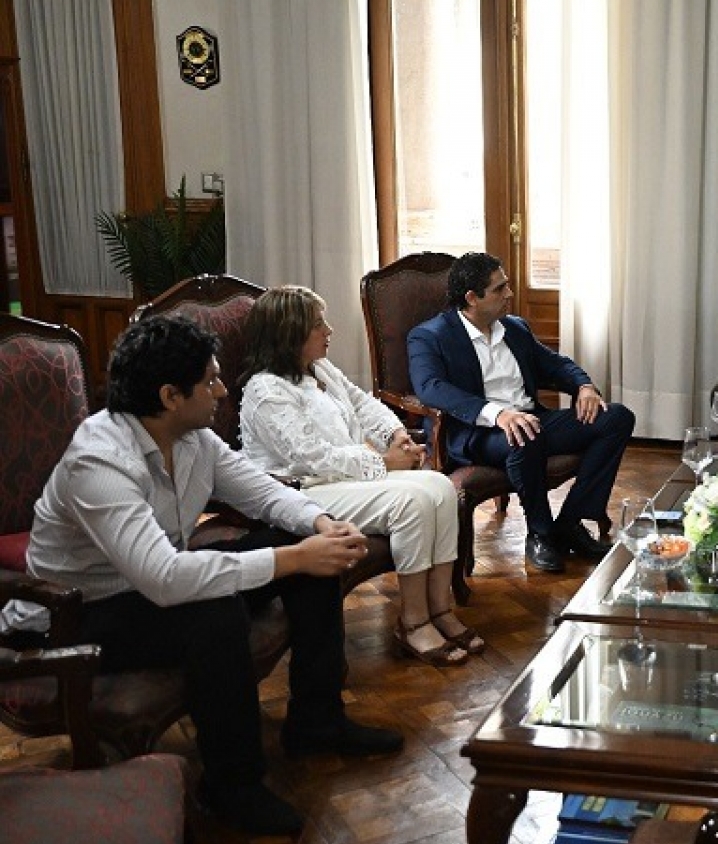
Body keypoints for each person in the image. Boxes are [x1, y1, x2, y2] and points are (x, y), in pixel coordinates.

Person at [0, 316, 403, 836]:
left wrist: (320, 524)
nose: (222, 390)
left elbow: (263, 492)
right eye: (210, 380)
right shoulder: (99, 460)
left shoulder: (193, 438)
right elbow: (164, 578)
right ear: (170, 396)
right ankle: (232, 786)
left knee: (308, 550)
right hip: (70, 615)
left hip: (147, 586)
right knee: (217, 611)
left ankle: (317, 722)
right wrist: (293, 559)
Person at [240, 286, 481, 668]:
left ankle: (439, 609)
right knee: (412, 502)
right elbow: (312, 458)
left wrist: (396, 435)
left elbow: (364, 403)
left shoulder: (320, 368)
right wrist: (384, 463)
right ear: (291, 334)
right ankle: (413, 622)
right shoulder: (266, 390)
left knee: (441, 488)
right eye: (318, 324)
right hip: (304, 492)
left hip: (344, 480)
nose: (329, 330)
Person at [408, 252, 635, 573]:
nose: (509, 294)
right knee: (523, 434)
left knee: (616, 418)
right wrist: (497, 414)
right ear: (472, 297)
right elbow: (430, 387)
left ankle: (569, 523)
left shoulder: (514, 328)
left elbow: (556, 364)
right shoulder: (430, 336)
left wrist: (584, 386)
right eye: (500, 288)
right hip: (478, 432)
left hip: (533, 419)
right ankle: (540, 532)